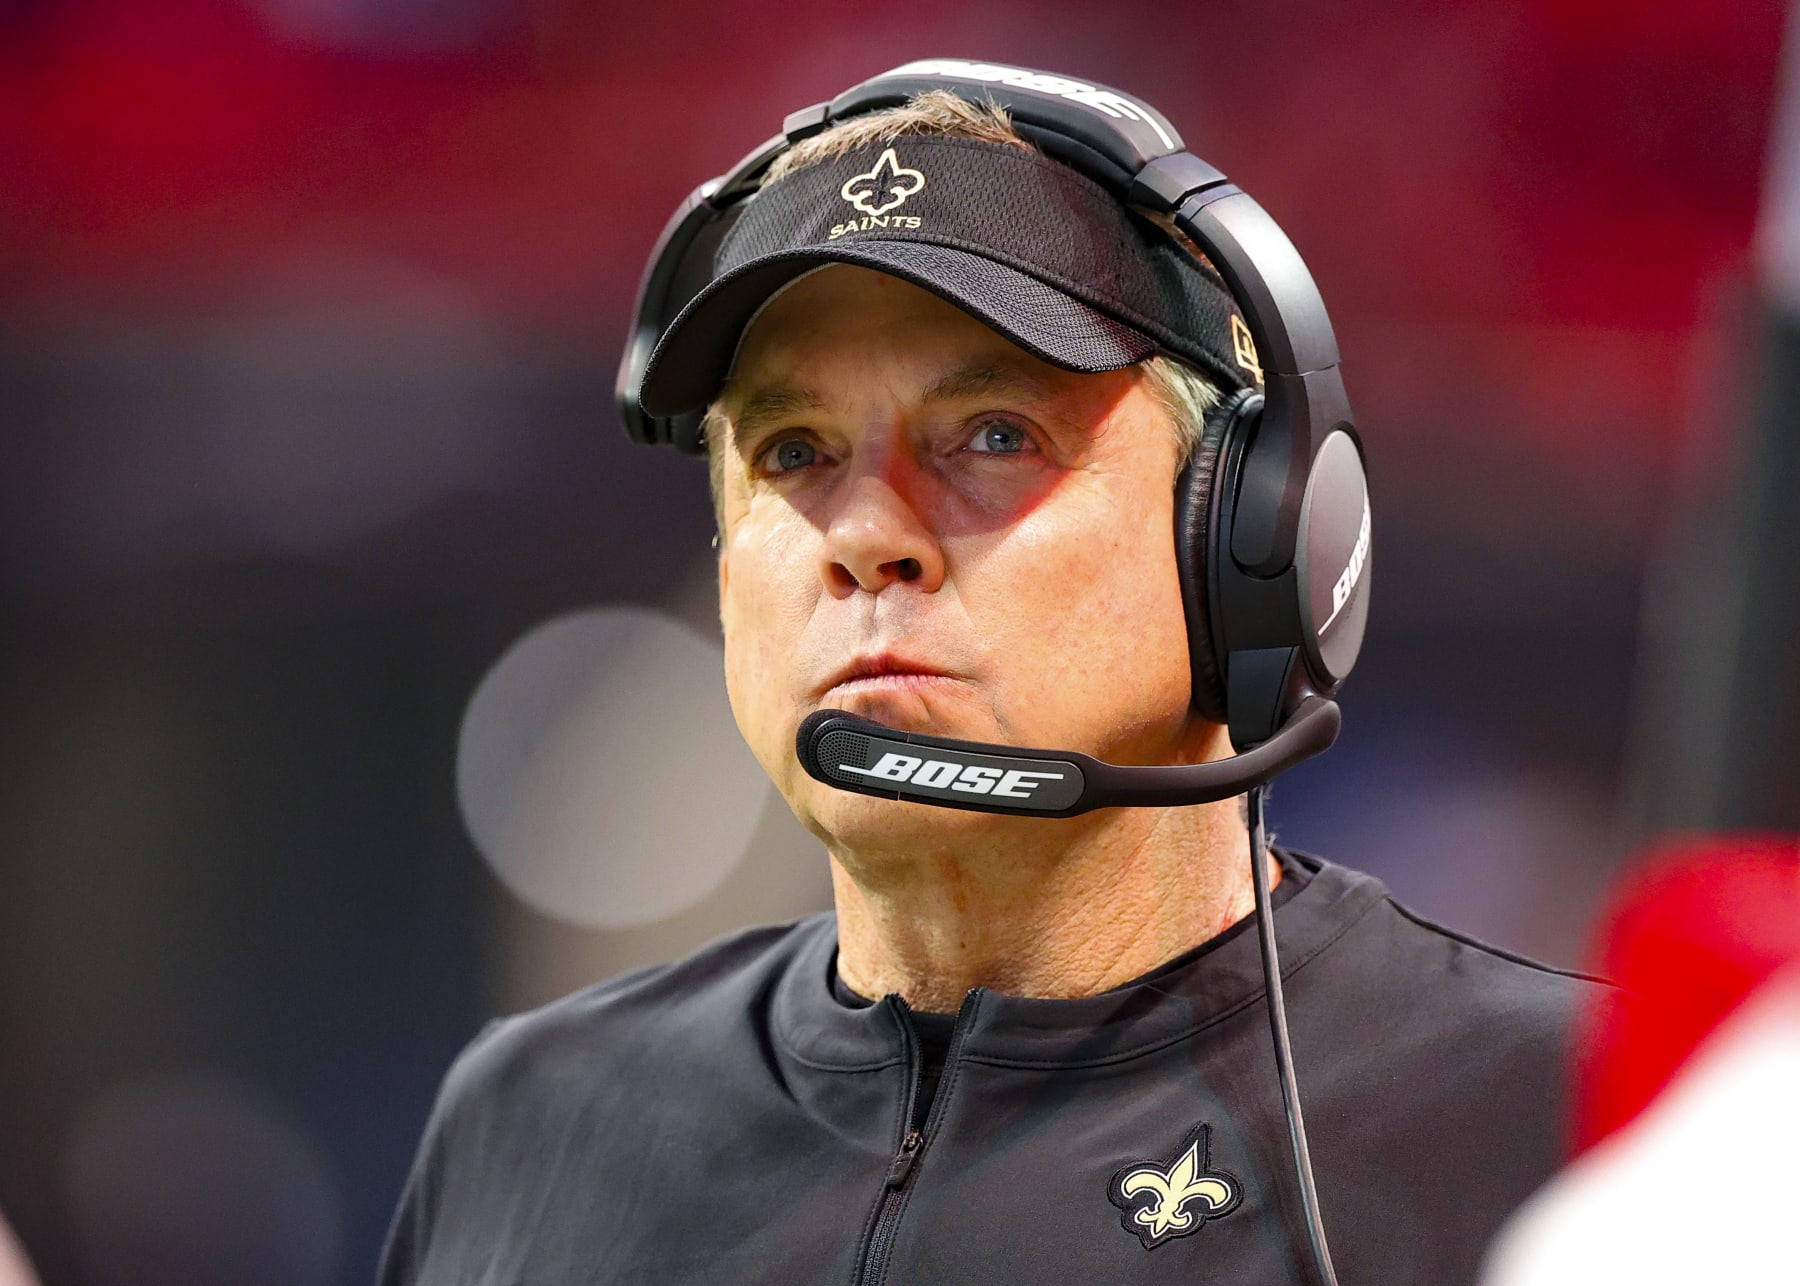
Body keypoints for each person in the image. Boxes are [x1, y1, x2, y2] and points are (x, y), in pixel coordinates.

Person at [379, 68, 1612, 1286]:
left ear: (1250, 532)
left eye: (993, 434)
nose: (863, 531)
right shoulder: (531, 1121)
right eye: (792, 449)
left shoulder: (1566, 1127)